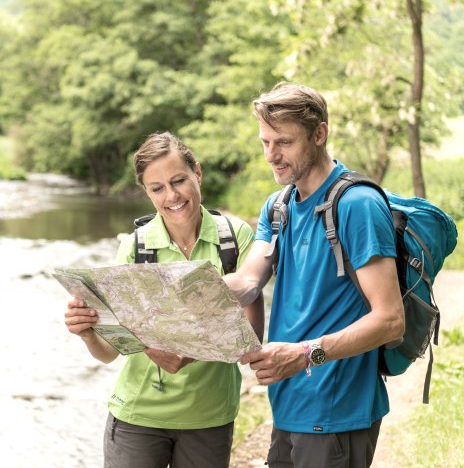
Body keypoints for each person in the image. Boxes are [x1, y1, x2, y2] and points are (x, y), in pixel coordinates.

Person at [223, 82, 405, 468]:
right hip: (289, 405)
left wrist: (305, 354)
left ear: (319, 134)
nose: (271, 155)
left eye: (283, 142)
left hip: (337, 412)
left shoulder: (358, 205)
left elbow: (390, 320)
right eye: (265, 142)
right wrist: (174, 291)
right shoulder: (278, 205)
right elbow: (248, 282)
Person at [64, 131, 265, 468]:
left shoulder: (235, 238)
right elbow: (108, 353)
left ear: (197, 173)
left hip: (209, 418)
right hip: (137, 418)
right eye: (157, 188)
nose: (172, 196)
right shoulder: (135, 247)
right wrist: (87, 332)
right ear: (146, 192)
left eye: (179, 181)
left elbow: (251, 339)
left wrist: (186, 354)